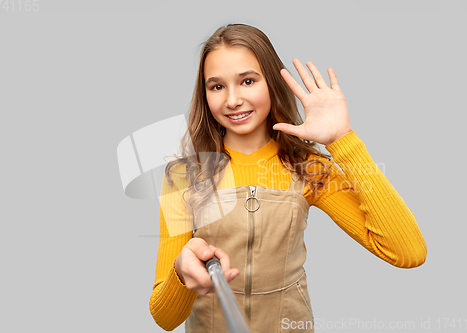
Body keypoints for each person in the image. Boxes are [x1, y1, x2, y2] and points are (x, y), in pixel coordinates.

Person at [149, 23, 427, 332]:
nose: (232, 100)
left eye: (247, 81)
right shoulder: (184, 176)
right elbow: (165, 318)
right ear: (205, 94)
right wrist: (180, 270)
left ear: (271, 82)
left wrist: (343, 140)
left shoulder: (308, 168)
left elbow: (408, 252)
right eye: (217, 86)